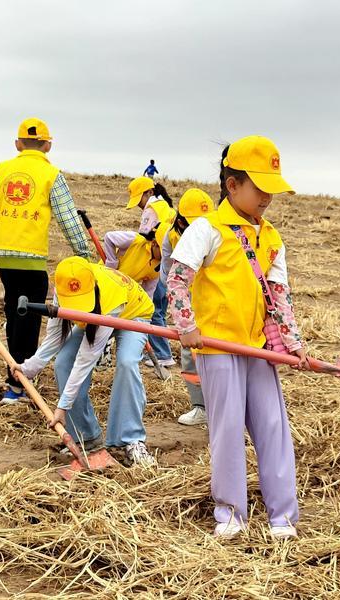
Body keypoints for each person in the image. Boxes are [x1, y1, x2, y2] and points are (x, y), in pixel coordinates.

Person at [167, 135, 307, 539]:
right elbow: (178, 279)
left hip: (257, 346)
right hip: (216, 347)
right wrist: (187, 326)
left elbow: (278, 297)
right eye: (259, 187)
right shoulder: (206, 229)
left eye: (272, 189)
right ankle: (230, 513)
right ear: (233, 185)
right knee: (227, 428)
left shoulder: (272, 237)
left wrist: (293, 343)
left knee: (273, 426)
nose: (267, 197)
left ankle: (282, 516)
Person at [0, 118, 92, 404]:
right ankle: (17, 383)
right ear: (48, 146)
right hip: (32, 258)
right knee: (27, 319)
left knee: (14, 313)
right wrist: (84, 255)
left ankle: (15, 379)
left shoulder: (1, 170)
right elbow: (68, 218)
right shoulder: (51, 173)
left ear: (17, 144)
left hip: (4, 256)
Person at [13, 257, 156, 466]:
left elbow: (86, 359)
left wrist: (62, 407)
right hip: (98, 313)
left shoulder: (108, 294)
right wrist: (29, 367)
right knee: (63, 363)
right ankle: (87, 438)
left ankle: (131, 439)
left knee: (126, 363)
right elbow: (55, 336)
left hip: (133, 315)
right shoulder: (62, 290)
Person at [158, 187, 215, 425]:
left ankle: (222, 406)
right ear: (179, 221)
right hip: (188, 304)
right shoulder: (169, 238)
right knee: (189, 354)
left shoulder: (216, 231)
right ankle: (200, 406)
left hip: (214, 300)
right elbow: (166, 277)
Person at [125, 177, 176, 366]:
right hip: (167, 266)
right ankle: (160, 352)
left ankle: (163, 355)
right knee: (159, 311)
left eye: (140, 199)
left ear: (149, 193)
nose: (139, 205)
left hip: (156, 266)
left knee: (152, 309)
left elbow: (142, 239)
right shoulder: (167, 208)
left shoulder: (152, 209)